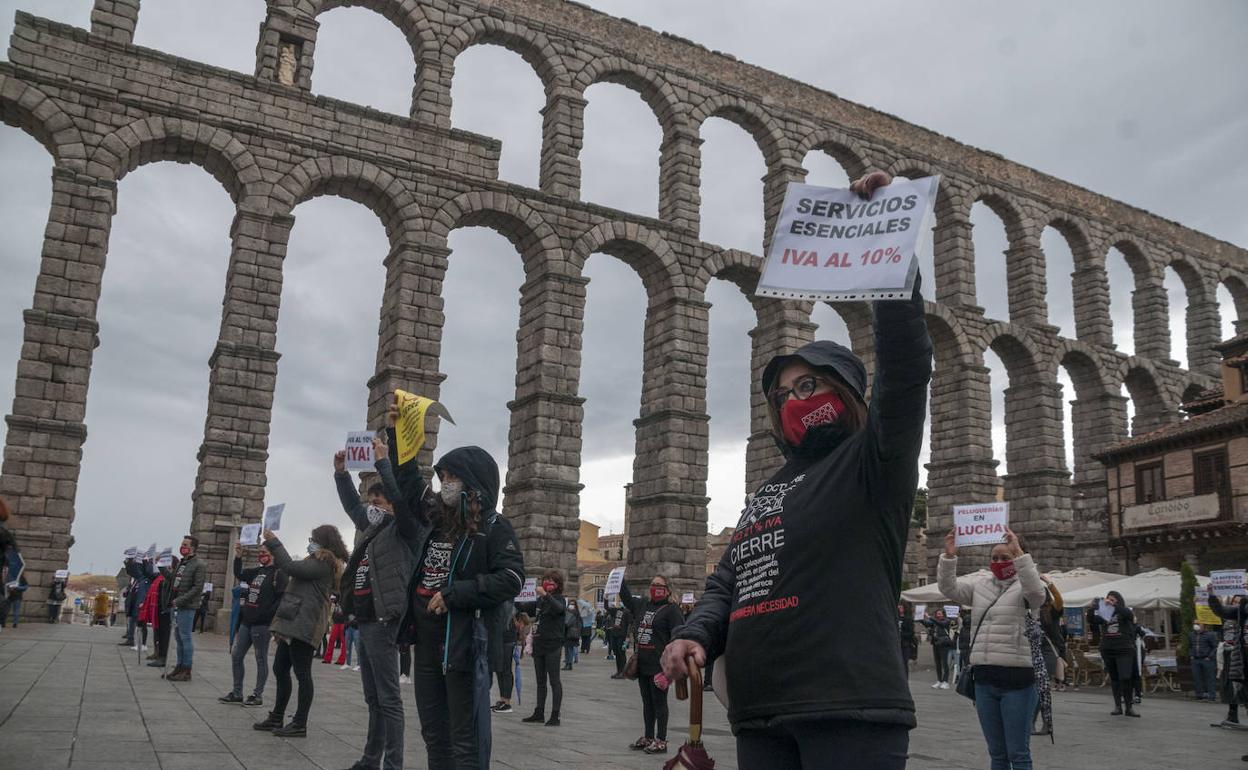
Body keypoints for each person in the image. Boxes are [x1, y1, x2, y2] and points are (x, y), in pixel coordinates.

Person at [663, 172, 930, 769]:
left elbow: (907, 370)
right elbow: (729, 580)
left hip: (848, 711)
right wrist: (695, 634)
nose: (791, 401)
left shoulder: (874, 463)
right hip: (760, 714)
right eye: (781, 394)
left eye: (807, 386)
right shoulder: (771, 489)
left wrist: (890, 250)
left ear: (845, 392)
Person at [385, 403, 525, 769]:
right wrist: (398, 435)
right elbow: (409, 483)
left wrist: (454, 594)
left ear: (472, 482)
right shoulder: (437, 517)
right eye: (442, 476)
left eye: (450, 476)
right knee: (434, 735)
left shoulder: (495, 528)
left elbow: (511, 578)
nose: (443, 482)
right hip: (426, 646)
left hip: (463, 647)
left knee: (465, 741)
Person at [336, 432, 422, 770]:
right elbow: (352, 508)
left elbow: (401, 500)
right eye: (370, 501)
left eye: (379, 502)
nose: (372, 506)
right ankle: (370, 760)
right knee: (373, 698)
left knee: (389, 699)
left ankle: (393, 765)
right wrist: (341, 474)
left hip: (384, 619)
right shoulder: (372, 530)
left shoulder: (405, 529)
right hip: (365, 618)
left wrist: (384, 462)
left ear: (392, 505)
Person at [939, 528, 1046, 770]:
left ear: (1017, 557)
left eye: (1005, 557)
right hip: (984, 680)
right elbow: (948, 588)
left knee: (1018, 753)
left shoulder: (1028, 584)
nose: (998, 562)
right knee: (997, 754)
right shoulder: (980, 585)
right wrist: (949, 557)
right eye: (994, 557)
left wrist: (1020, 555)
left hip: (1018, 681)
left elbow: (1036, 596)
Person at [252, 526, 348, 738]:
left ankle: (300, 723)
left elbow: (289, 566)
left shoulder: (324, 563)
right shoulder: (315, 560)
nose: (310, 543)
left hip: (305, 623)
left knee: (302, 673)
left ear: (323, 541)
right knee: (280, 668)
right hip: (293, 621)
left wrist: (274, 542)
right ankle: (277, 716)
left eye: (313, 539)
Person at [621, 575, 685, 755]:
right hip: (643, 662)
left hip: (660, 665)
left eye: (659, 585)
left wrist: (670, 667)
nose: (655, 587)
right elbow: (627, 599)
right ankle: (648, 737)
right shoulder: (643, 604)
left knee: (659, 703)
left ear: (667, 589)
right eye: (653, 584)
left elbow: (679, 636)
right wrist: (619, 580)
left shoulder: (672, 610)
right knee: (647, 702)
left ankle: (661, 740)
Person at [220, 542, 286, 707]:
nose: (261, 555)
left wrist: (267, 615)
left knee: (260, 658)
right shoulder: (258, 571)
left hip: (262, 624)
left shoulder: (279, 573)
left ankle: (257, 695)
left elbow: (281, 598)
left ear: (273, 554)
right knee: (236, 656)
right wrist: (238, 557)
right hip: (247, 621)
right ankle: (237, 693)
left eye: (264, 552)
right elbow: (239, 574)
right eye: (260, 552)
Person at [1086, 590, 1140, 717]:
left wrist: (1114, 605)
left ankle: (1129, 707)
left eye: (1112, 599)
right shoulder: (1105, 614)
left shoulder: (1124, 611)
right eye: (1108, 599)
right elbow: (1091, 620)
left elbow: (1129, 615)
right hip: (1108, 648)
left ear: (1118, 601)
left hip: (1124, 648)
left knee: (1125, 677)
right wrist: (1092, 607)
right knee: (1114, 677)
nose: (1109, 601)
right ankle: (1118, 706)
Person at [525, 570, 568, 727]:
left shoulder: (559, 599)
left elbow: (559, 609)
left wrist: (546, 595)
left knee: (554, 680)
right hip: (539, 643)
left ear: (558, 584)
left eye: (552, 580)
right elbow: (525, 607)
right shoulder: (540, 601)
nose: (548, 582)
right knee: (540, 681)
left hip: (553, 644)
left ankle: (555, 715)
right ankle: (539, 712)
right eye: (546, 579)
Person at [166, 535, 206, 682]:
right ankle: (179, 666)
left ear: (192, 548)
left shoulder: (199, 564)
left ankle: (186, 669)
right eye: (182, 544)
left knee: (185, 637)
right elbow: (172, 579)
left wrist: (180, 600)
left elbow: (197, 587)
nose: (182, 547)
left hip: (187, 606)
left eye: (185, 545)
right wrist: (161, 566)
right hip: (175, 604)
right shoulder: (181, 563)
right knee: (178, 637)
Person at [1209, 588, 1248, 726]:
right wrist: (1212, 596)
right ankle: (1233, 716)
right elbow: (1221, 611)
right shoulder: (1241, 610)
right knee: (1241, 688)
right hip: (1242, 658)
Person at [492, 611, 528, 714]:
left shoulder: (512, 606)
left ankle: (507, 702)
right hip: (500, 637)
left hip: (508, 639)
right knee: (499, 669)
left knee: (506, 670)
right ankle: (502, 699)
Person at [120, 555, 154, 649]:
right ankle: (131, 639)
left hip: (141, 604)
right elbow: (131, 571)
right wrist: (129, 562)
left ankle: (142, 644)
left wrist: (147, 562)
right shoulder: (139, 578)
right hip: (134, 603)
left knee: (141, 624)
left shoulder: (147, 578)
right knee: (132, 622)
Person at [922, 608, 954, 689]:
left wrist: (930, 617)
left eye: (940, 613)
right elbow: (927, 623)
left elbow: (941, 624)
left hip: (944, 644)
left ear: (943, 614)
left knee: (944, 663)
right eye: (937, 613)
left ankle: (945, 681)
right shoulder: (934, 621)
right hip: (936, 643)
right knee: (937, 663)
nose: (938, 615)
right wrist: (920, 619)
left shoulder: (947, 620)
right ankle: (939, 680)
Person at [1191, 621, 1220, 702]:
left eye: (1198, 623)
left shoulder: (1210, 635)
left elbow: (1215, 647)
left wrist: (1209, 656)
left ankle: (1211, 696)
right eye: (1194, 623)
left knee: (1210, 678)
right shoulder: (1192, 635)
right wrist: (1191, 655)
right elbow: (1190, 646)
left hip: (1207, 659)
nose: (1196, 625)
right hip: (1195, 659)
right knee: (1197, 678)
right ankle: (1199, 695)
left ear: (1203, 625)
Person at [605, 598, 632, 679]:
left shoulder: (627, 611)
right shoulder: (615, 611)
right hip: (614, 634)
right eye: (619, 601)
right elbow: (606, 607)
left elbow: (630, 624)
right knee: (616, 653)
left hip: (622, 635)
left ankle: (623, 672)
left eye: (621, 601)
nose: (620, 603)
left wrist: (628, 635)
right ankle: (618, 671)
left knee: (621, 653)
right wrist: (606, 598)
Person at [322, 594, 347, 665]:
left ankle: (341, 660)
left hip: (343, 623)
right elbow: (331, 613)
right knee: (331, 640)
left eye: (333, 599)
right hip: (336, 623)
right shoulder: (333, 604)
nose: (332, 600)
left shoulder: (343, 601)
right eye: (331, 599)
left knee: (344, 642)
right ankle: (327, 658)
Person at [897, 604, 916, 677]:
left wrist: (901, 634)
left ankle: (905, 679)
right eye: (898, 607)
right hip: (895, 644)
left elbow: (911, 632)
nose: (899, 608)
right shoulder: (895, 618)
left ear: (904, 608)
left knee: (904, 663)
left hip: (905, 644)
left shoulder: (908, 619)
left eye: (901, 607)